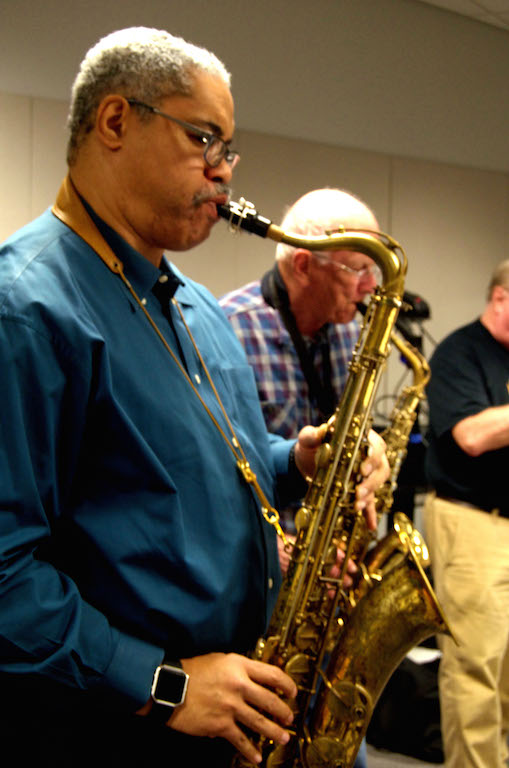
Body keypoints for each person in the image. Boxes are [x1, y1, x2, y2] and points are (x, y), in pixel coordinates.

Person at [0, 27, 388, 768]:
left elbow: (200, 467)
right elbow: (5, 572)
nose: (223, 174)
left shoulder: (196, 307)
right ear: (116, 121)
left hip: (233, 710)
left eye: (229, 149)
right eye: (204, 139)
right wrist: (163, 686)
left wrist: (297, 458)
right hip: (116, 727)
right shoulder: (26, 308)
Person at [220, 188, 382, 768]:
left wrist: (376, 449)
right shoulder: (227, 331)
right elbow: (215, 480)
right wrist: (284, 549)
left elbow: (355, 437)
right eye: (359, 269)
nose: (371, 288)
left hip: (327, 592)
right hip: (257, 601)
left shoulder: (349, 336)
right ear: (303, 264)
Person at [424, 259, 509, 768]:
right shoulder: (460, 351)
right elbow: (472, 436)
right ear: (501, 297)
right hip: (472, 521)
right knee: (475, 669)